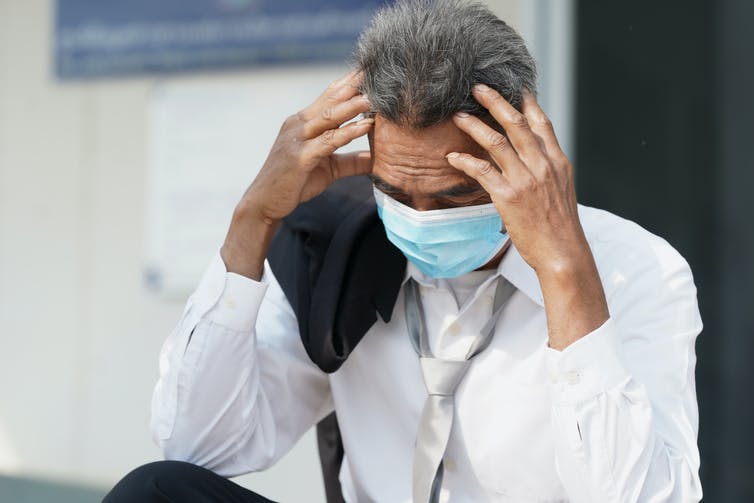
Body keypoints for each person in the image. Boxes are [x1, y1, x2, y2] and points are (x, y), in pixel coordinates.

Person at [104, 0, 703, 501]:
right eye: (393, 190)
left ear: (525, 157)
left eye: (453, 199)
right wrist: (252, 221)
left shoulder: (636, 271)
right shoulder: (340, 245)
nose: (420, 219)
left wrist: (565, 274)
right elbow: (200, 445)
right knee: (157, 493)